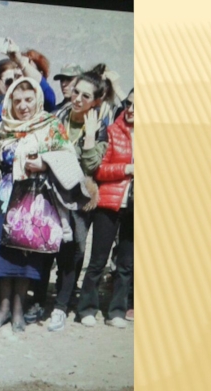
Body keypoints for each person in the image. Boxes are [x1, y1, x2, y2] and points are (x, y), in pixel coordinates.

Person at [0, 77, 78, 333]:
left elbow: (68, 157)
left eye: (28, 100)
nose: (23, 106)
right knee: (3, 253)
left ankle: (18, 311)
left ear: (37, 99)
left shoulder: (51, 125)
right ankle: (3, 309)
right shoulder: (4, 126)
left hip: (34, 199)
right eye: (17, 101)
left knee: (26, 253)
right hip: (6, 196)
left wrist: (45, 163)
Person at [41, 64, 112, 331]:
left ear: (96, 101)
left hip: (79, 197)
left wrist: (90, 136)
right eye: (76, 92)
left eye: (86, 96)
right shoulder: (57, 117)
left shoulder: (100, 128)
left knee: (72, 253)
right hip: (51, 191)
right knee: (47, 245)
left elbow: (91, 166)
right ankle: (39, 300)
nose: (78, 98)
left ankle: (61, 306)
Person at [77, 89, 134, 329]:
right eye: (129, 104)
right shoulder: (112, 132)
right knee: (98, 260)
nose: (131, 110)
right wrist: (126, 169)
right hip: (109, 204)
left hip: (135, 208)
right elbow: (99, 170)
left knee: (126, 264)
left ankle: (117, 311)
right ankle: (87, 308)